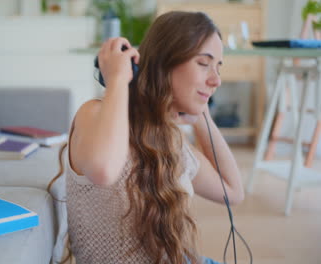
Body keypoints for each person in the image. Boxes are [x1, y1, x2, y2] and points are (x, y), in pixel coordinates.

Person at [48, 11, 245, 264]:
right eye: (204, 63)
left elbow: (232, 192)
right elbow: (104, 170)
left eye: (218, 67)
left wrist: (203, 116)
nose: (216, 79)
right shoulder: (92, 114)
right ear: (165, 64)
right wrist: (118, 79)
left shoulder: (170, 139)